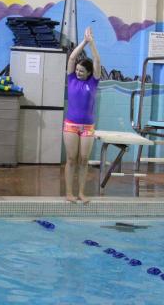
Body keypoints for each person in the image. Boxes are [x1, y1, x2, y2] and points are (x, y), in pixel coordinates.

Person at [63, 26, 101, 203]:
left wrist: (92, 44)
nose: (78, 72)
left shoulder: (93, 82)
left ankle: (81, 193)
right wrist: (84, 42)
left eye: (81, 71)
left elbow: (97, 61)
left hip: (88, 127)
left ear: (89, 73)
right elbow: (72, 58)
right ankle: (69, 193)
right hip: (71, 125)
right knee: (71, 159)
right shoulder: (71, 78)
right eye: (77, 69)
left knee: (84, 160)